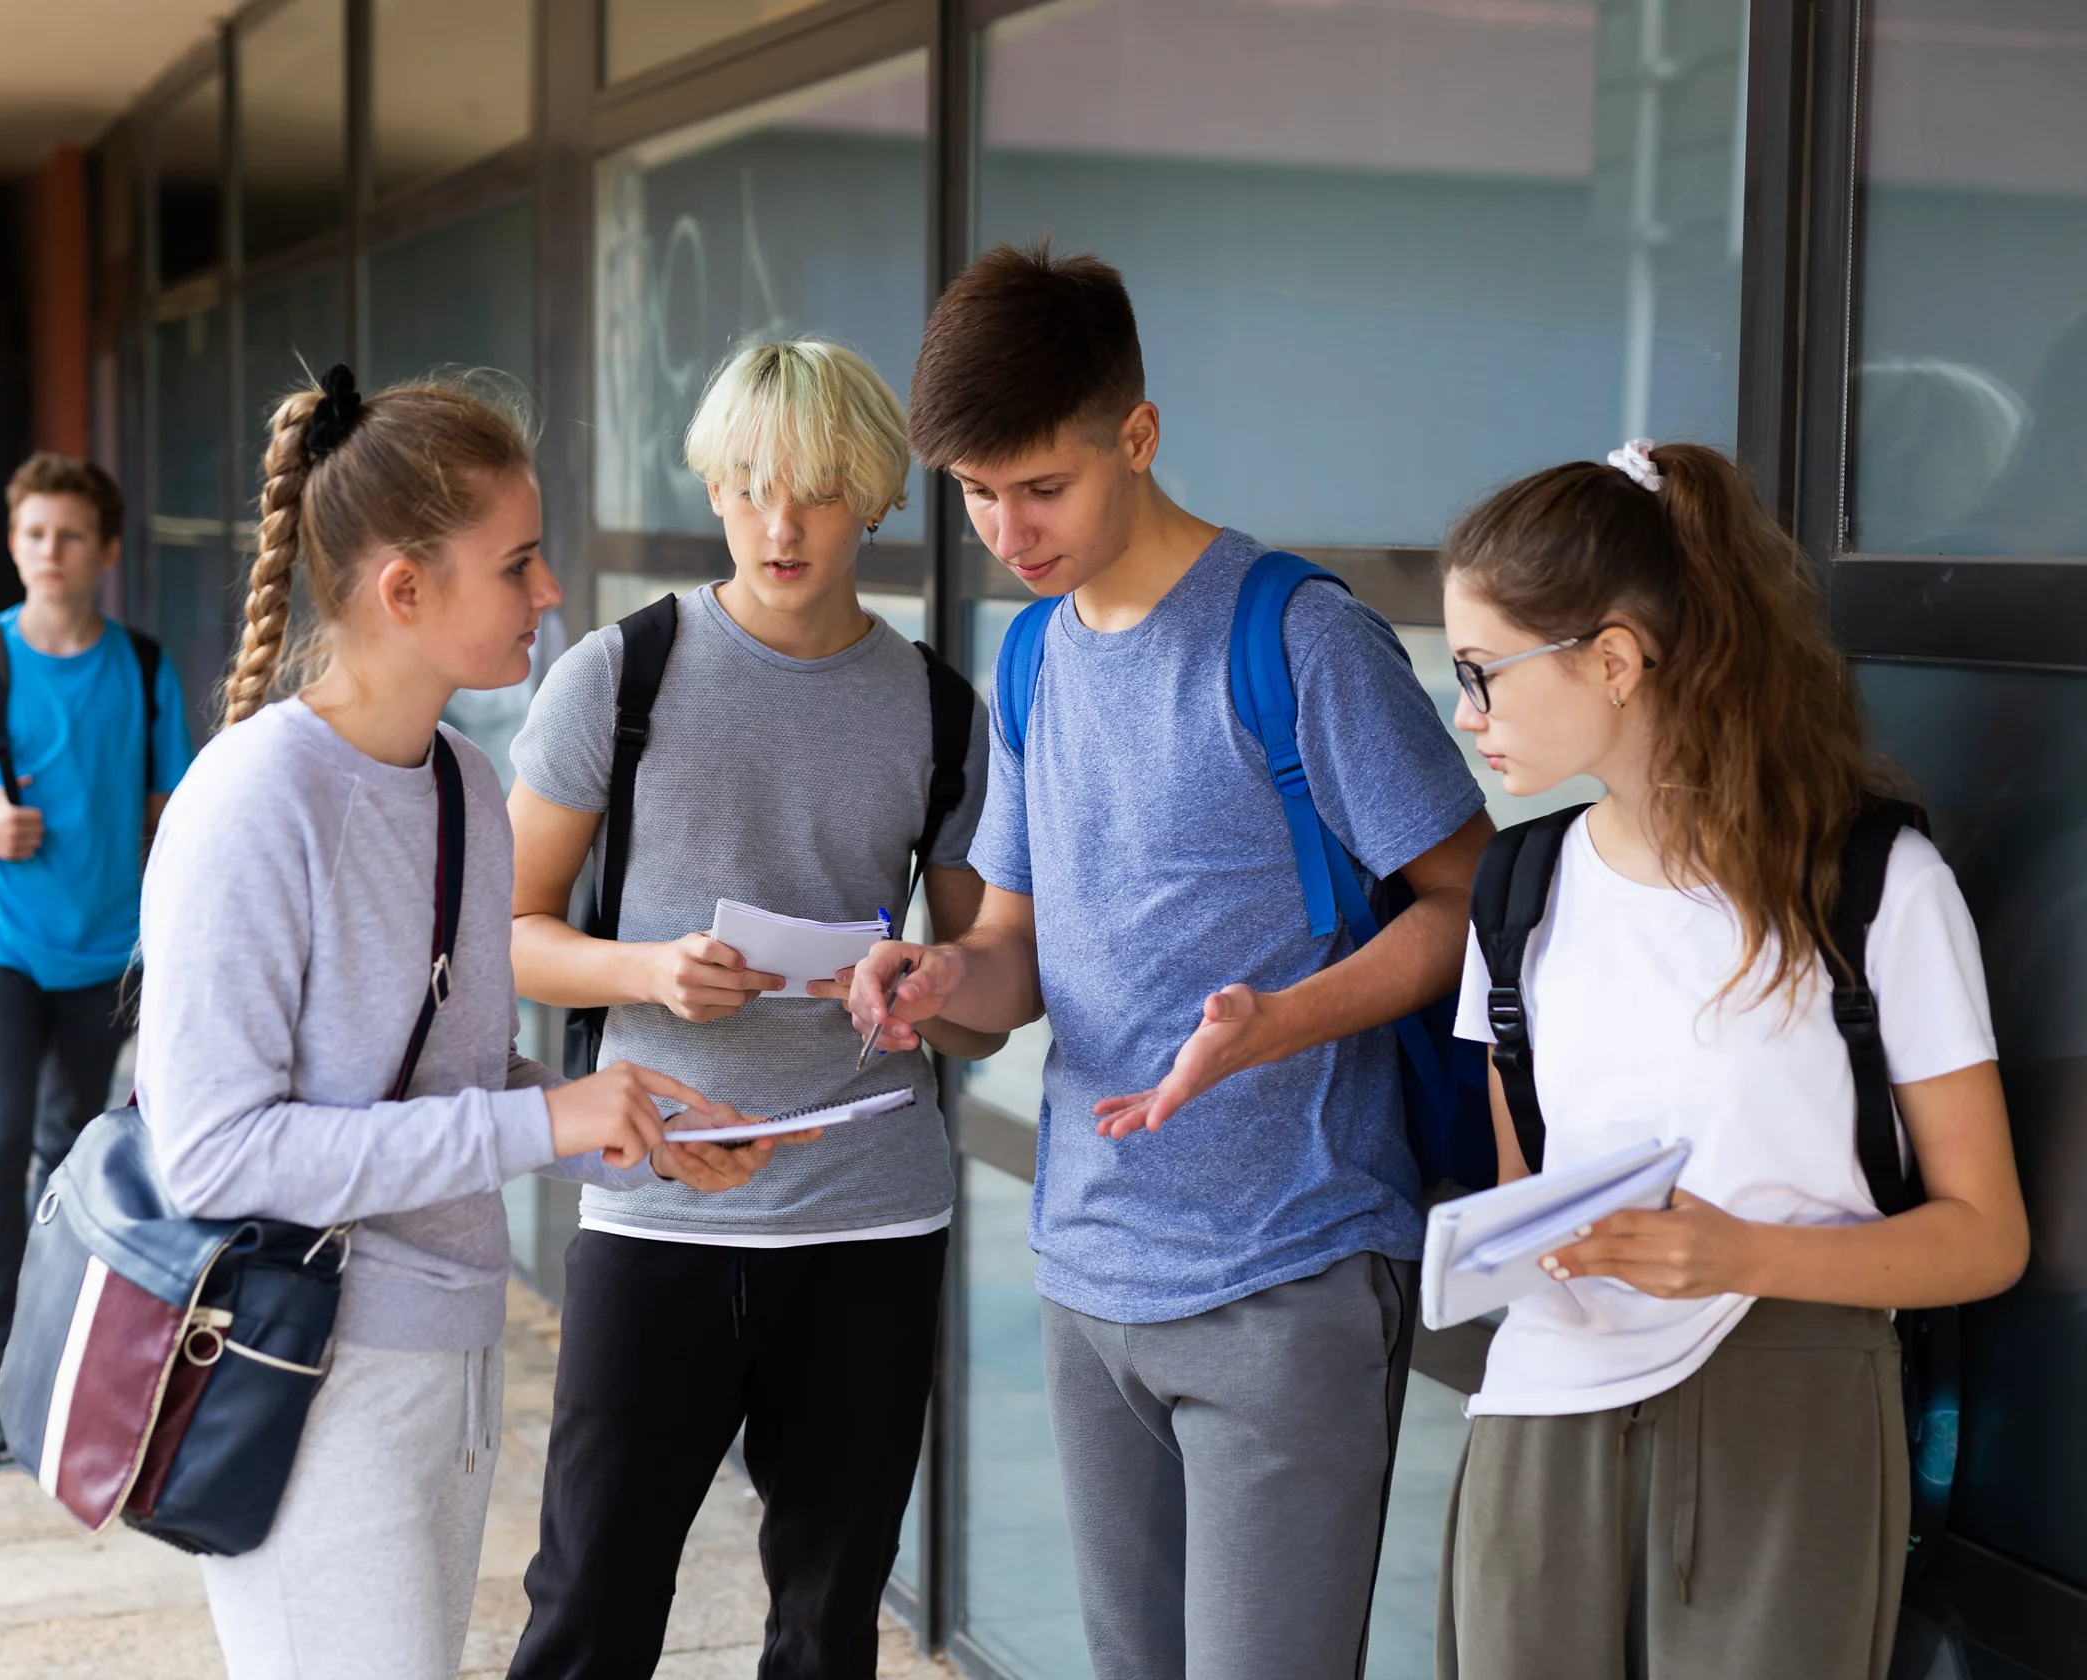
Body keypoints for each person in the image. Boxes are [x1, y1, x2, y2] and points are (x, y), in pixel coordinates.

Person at [849, 242, 1493, 1678]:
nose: (1008, 530)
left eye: (1042, 486)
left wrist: (1281, 1022)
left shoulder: (1300, 641)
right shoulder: (1030, 660)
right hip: (1087, 1275)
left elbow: (1469, 907)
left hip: (1292, 1267)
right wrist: (947, 979)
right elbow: (1014, 946)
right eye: (975, 494)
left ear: (1134, 438)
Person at [138, 368, 783, 1680]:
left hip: (447, 1358)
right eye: (521, 562)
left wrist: (624, 1124)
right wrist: (544, 1116)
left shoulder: (464, 783)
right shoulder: (253, 799)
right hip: (299, 1374)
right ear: (405, 591)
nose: (550, 594)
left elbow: (462, 1079)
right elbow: (210, 1153)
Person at [1432, 440, 2029, 1679]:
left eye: (1483, 673)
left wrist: (1740, 1254)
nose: (1466, 713)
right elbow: (1516, 1192)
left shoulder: (1874, 889)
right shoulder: (1518, 890)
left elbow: (1987, 1235)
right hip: (1546, 1414)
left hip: (1793, 1409)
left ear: (1613, 659)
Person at [502, 340, 1001, 1680]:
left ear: (879, 498)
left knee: (829, 1628)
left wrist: (922, 983)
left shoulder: (945, 716)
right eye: (755, 486)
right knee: (589, 1606)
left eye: (822, 490)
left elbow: (982, 1004)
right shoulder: (619, 678)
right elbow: (505, 935)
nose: (783, 524)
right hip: (661, 1192)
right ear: (715, 489)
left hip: (873, 1210)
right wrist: (646, 970)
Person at [0, 453, 195, 1465]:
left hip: (106, 951)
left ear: (105, 550)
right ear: (12, 542)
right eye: (32, 535)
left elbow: (172, 818)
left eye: (68, 536)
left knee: (72, 1150)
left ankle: (53, 1345)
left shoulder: (144, 670)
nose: (48, 553)